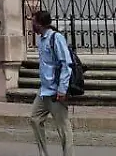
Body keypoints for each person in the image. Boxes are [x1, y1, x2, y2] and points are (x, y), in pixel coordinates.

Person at [29, 11, 73, 156]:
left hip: (56, 92)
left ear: (40, 24)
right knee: (35, 119)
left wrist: (62, 90)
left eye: (33, 22)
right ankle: (43, 153)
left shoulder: (56, 38)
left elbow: (66, 64)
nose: (32, 25)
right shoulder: (41, 39)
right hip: (44, 91)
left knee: (63, 128)